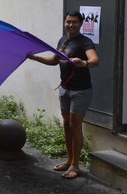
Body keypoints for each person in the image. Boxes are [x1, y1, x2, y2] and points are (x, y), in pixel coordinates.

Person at [28, 11, 99, 180]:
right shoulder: (63, 40)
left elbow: (95, 61)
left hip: (80, 91)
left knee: (75, 126)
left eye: (74, 22)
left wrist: (84, 63)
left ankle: (75, 165)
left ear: (80, 24)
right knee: (67, 124)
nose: (71, 25)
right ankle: (68, 161)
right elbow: (54, 60)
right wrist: (34, 57)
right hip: (64, 89)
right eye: (68, 22)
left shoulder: (85, 42)